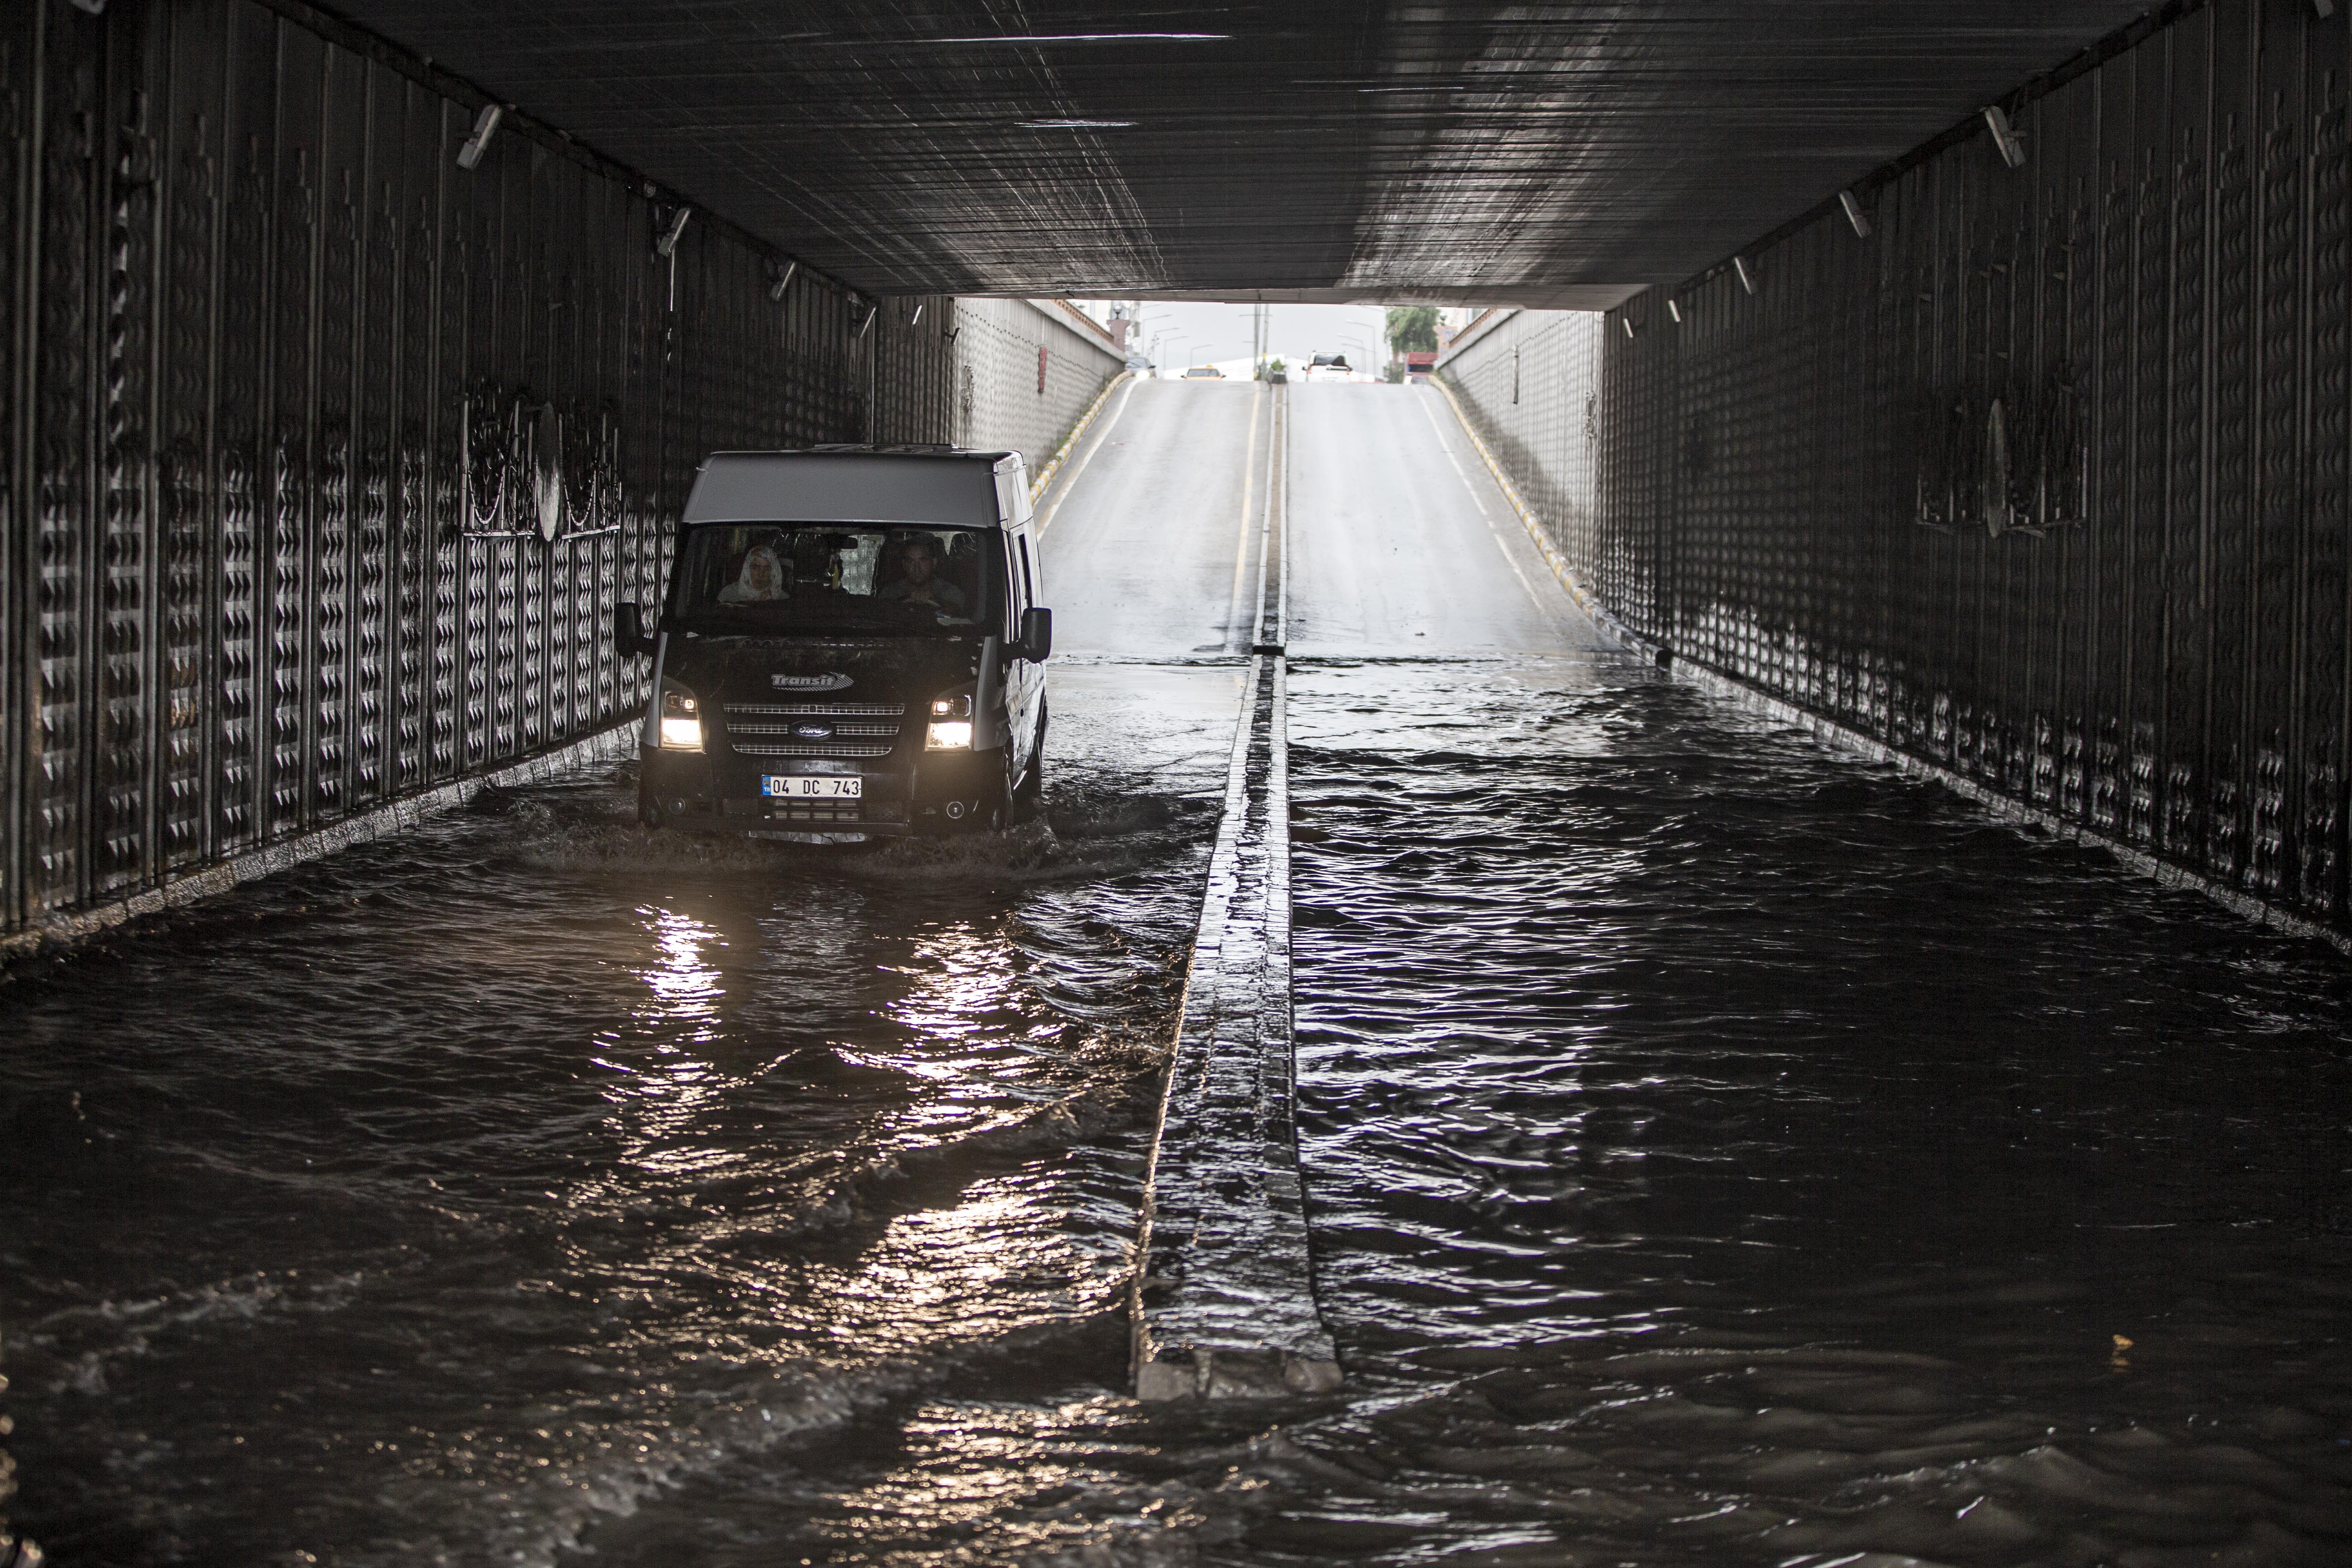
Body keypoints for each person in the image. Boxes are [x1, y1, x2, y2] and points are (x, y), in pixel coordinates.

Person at [876, 534, 967, 614]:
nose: (917, 568)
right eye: (911, 561)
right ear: (904, 564)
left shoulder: (950, 592)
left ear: (934, 563)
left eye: (923, 561)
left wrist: (936, 600)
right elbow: (881, 612)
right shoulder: (891, 592)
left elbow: (958, 613)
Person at [717, 543, 788, 603]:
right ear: (747, 569)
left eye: (767, 569)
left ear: (773, 572)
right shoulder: (729, 594)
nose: (761, 574)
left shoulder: (782, 599)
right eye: (756, 568)